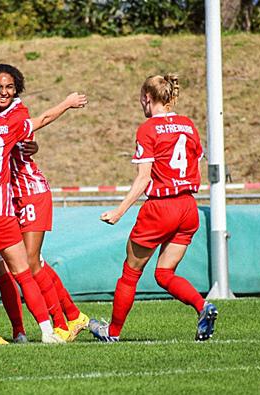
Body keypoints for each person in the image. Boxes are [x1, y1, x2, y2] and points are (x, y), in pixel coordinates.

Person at [0, 78, 88, 346]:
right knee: (23, 272)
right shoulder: (9, 126)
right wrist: (67, 104)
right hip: (0, 210)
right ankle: (46, 331)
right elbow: (43, 118)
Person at [88, 73, 218, 342]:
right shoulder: (188, 125)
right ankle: (203, 307)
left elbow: (144, 177)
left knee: (131, 272)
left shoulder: (147, 128)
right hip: (188, 207)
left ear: (147, 98)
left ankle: (111, 332)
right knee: (164, 273)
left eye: (141, 100)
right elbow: (195, 159)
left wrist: (119, 211)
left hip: (161, 208)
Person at [0, 63, 91, 342]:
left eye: (10, 87)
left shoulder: (16, 112)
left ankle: (60, 324)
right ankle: (72, 316)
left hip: (30, 190)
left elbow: (38, 122)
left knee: (29, 263)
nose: (5, 92)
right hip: (7, 198)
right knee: (29, 263)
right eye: (0, 87)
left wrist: (66, 104)